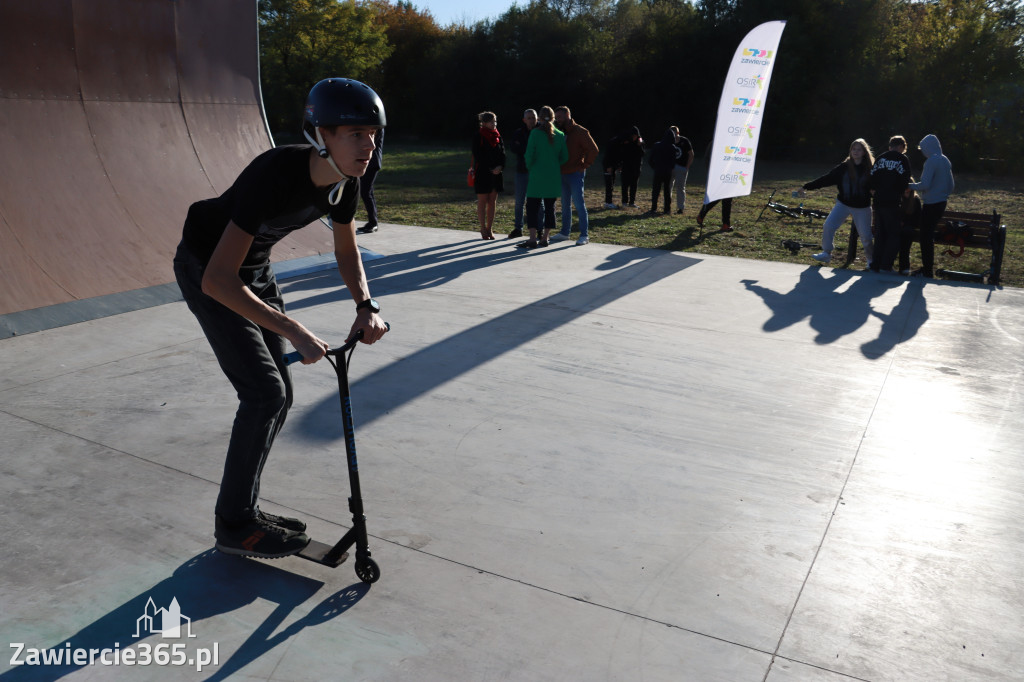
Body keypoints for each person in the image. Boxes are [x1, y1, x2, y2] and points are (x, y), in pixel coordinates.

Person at [173, 77, 389, 559]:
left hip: (255, 271)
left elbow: (347, 250)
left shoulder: (345, 184)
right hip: (207, 267)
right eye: (354, 133)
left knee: (278, 395)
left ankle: (242, 511)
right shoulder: (274, 174)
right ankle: (233, 524)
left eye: (372, 134)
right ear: (321, 135)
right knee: (263, 392)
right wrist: (295, 330)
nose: (367, 145)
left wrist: (366, 304)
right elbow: (218, 281)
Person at [797, 138, 875, 264]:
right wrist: (807, 186)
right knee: (828, 225)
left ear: (864, 152)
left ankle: (871, 260)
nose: (856, 152)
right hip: (843, 204)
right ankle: (826, 253)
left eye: (859, 149)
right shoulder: (844, 167)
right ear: (850, 151)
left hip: (862, 207)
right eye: (853, 149)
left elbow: (876, 186)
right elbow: (827, 179)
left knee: (866, 237)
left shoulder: (870, 169)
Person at [519, 106, 568, 249]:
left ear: (539, 118)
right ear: (553, 118)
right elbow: (564, 157)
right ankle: (545, 238)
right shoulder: (559, 135)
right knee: (549, 207)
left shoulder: (535, 133)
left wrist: (531, 167)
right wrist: (554, 165)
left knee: (532, 207)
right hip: (552, 176)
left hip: (536, 175)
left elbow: (529, 155)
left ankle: (533, 238)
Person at [551, 106, 599, 246]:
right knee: (565, 204)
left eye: (559, 117)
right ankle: (565, 233)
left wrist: (585, 164)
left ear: (567, 115)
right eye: (555, 117)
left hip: (575, 174)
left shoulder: (580, 132)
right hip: (562, 173)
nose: (557, 120)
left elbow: (593, 149)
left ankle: (584, 235)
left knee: (579, 204)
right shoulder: (557, 131)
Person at [908, 134, 955, 278]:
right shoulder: (945, 160)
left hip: (931, 204)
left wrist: (908, 185)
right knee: (928, 236)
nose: (922, 152)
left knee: (925, 237)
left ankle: (927, 270)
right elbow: (951, 185)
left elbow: (925, 185)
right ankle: (927, 268)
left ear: (928, 147)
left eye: (923, 148)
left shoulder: (931, 161)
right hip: (941, 203)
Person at [869, 135, 912, 272]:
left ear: (890, 146)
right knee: (893, 234)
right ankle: (886, 265)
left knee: (880, 234)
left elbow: (872, 177)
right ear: (901, 147)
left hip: (878, 200)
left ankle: (875, 264)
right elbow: (905, 180)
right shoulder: (902, 159)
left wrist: (875, 192)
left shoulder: (880, 158)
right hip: (892, 202)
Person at [470, 111, 506, 240]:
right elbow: (478, 155)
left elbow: (503, 153)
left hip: (496, 173)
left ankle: (490, 228)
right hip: (483, 173)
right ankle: (482, 228)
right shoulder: (478, 136)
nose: (494, 124)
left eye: (495, 121)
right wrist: (491, 168)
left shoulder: (497, 135)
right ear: (484, 123)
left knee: (492, 201)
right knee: (482, 201)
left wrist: (500, 167)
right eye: (492, 122)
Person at [508, 109, 538, 239]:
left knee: (539, 202)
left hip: (537, 172)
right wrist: (528, 149)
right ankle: (518, 228)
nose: (531, 120)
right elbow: (514, 148)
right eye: (529, 118)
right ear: (524, 120)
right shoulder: (519, 133)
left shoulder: (541, 132)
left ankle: (539, 229)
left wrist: (524, 148)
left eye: (533, 117)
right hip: (521, 171)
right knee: (519, 201)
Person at [648, 127, 681, 215]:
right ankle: (667, 209)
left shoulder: (656, 145)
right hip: (667, 172)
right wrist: (670, 168)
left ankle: (653, 208)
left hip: (658, 170)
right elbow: (673, 161)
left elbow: (650, 159)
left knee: (655, 190)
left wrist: (654, 167)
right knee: (667, 191)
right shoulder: (673, 147)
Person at [357, 127, 383, 233]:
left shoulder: (376, 127)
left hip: (371, 163)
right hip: (366, 161)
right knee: (367, 192)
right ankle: (373, 222)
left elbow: (370, 143)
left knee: (365, 192)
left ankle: (373, 223)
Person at [898, 180, 922, 275]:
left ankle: (904, 267)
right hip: (898, 226)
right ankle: (886, 264)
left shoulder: (915, 200)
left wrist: (905, 223)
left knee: (906, 236)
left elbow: (917, 219)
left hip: (910, 228)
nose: (906, 190)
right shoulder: (899, 198)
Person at [619, 127, 644, 208]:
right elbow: (621, 154)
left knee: (634, 185)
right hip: (626, 166)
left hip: (636, 167)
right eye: (633, 135)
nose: (634, 137)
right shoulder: (625, 142)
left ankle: (632, 202)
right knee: (625, 185)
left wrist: (640, 145)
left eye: (636, 136)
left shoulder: (639, 142)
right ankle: (624, 202)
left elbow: (643, 154)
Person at [673, 126, 694, 214]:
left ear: (678, 133)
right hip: (671, 167)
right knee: (669, 186)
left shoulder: (684, 141)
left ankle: (680, 208)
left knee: (680, 188)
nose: (673, 135)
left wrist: (687, 167)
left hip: (681, 167)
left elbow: (691, 154)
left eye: (674, 133)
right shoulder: (669, 141)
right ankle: (667, 206)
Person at [602, 131, 623, 208]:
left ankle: (608, 201)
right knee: (609, 184)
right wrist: (608, 166)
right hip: (608, 166)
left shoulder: (617, 143)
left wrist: (618, 165)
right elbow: (608, 155)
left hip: (612, 166)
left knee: (611, 184)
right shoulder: (613, 144)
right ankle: (608, 202)